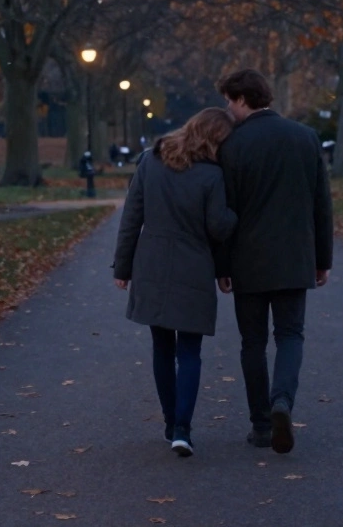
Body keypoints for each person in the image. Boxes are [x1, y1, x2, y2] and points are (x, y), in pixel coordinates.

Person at [215, 69, 333, 455]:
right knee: (290, 335)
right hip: (294, 256)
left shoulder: (232, 145)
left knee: (253, 342)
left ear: (242, 98)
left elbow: (225, 210)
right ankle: (282, 400)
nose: (227, 109)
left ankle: (261, 424)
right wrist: (322, 258)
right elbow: (321, 204)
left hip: (247, 259)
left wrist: (222, 265)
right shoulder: (305, 137)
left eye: (229, 101)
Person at [113, 108, 238, 457]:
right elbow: (218, 227)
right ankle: (183, 428)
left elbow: (131, 217)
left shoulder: (150, 162)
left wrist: (122, 268)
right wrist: (236, 215)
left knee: (162, 348)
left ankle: (170, 423)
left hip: (152, 263)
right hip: (193, 266)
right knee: (190, 351)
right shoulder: (212, 175)